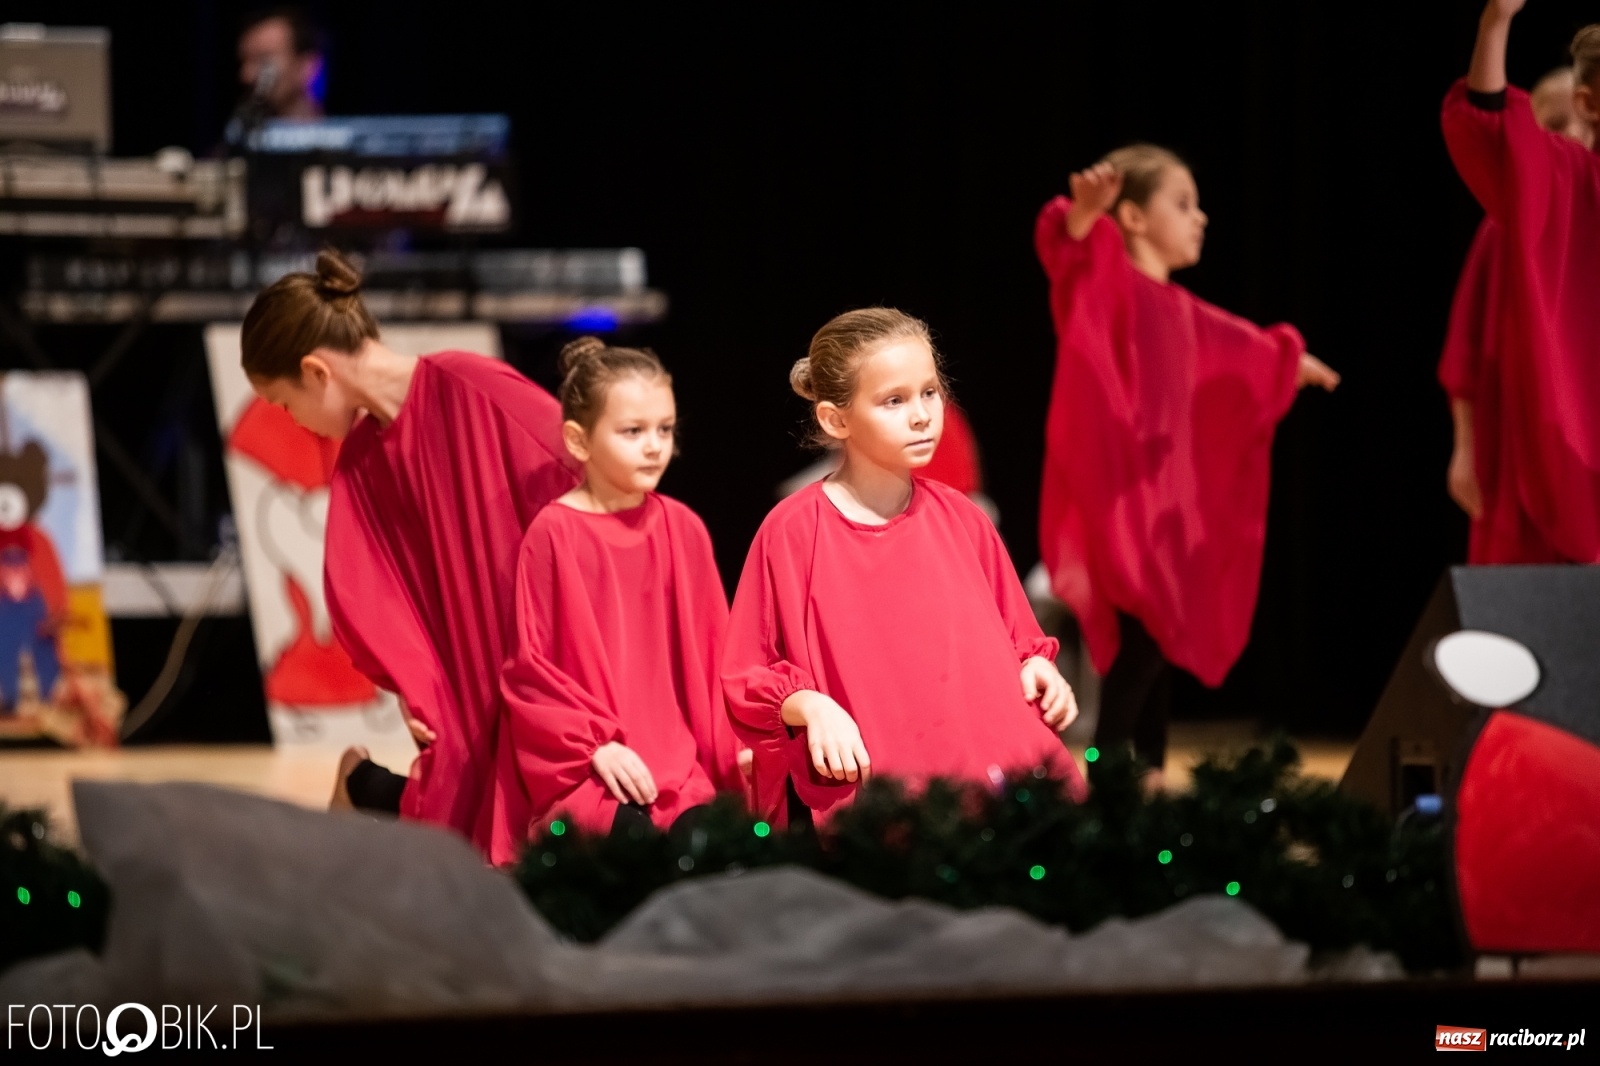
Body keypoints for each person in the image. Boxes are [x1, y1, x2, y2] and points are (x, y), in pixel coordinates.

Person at [241, 249, 579, 856]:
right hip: (469, 672)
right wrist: (413, 685)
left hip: (545, 646)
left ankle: (364, 786)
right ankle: (365, 785)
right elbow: (369, 591)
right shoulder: (363, 464)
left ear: (317, 371)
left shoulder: (471, 384)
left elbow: (578, 476)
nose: (295, 422)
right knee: (470, 833)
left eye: (286, 405)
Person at [1035, 148, 1339, 787]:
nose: (1199, 218)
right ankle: (1113, 783)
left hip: (1167, 510)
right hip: (1120, 500)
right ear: (1135, 219)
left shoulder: (1181, 309)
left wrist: (1290, 362)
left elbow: (1241, 345)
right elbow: (1069, 256)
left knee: (1156, 643)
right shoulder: (1110, 279)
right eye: (1182, 204)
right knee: (1143, 639)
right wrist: (1082, 217)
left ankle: (1142, 776)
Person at [723, 308, 1084, 828]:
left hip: (988, 767)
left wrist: (1035, 666)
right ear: (835, 419)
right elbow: (749, 673)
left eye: (930, 393)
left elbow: (1015, 636)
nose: (921, 415)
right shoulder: (793, 531)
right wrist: (809, 705)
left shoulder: (963, 518)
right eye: (894, 400)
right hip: (879, 785)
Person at [498, 338, 743, 851]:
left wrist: (736, 754)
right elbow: (534, 670)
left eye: (665, 429)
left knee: (702, 850)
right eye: (633, 431)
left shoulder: (684, 528)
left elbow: (714, 656)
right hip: (591, 767)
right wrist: (593, 747)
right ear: (579, 440)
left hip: (682, 769)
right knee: (624, 850)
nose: (654, 445)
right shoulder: (554, 533)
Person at [1441, 2, 1600, 564]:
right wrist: (1496, 23)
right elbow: (1489, 125)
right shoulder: (1558, 188)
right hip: (1546, 431)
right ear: (1591, 104)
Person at [237, 7, 325, 122]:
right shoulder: (236, 136)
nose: (247, 76)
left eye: (263, 60)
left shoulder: (349, 136)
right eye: (244, 61)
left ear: (307, 66)